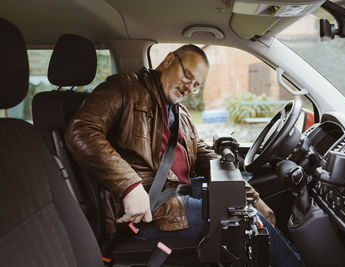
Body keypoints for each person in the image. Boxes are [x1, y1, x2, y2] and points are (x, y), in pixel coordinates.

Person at [65, 44, 301, 266]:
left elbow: (204, 155)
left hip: (179, 193)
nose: (190, 88)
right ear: (169, 60)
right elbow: (81, 130)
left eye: (196, 85)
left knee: (244, 207)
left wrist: (254, 198)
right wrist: (129, 185)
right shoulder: (125, 88)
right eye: (188, 77)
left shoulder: (181, 112)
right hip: (149, 207)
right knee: (245, 219)